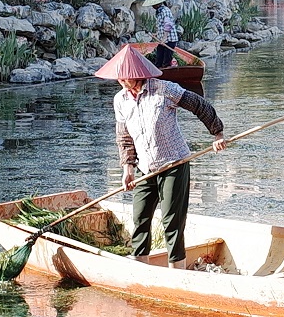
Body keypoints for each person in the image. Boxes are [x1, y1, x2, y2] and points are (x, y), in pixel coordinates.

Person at [93, 44, 225, 264]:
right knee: (140, 219)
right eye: (120, 79)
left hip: (174, 164)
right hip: (145, 168)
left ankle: (178, 271)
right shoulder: (121, 100)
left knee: (171, 222)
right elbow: (124, 138)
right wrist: (128, 168)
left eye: (127, 78)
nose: (123, 83)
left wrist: (217, 134)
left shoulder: (165, 90)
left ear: (139, 75)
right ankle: (140, 268)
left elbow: (200, 105)